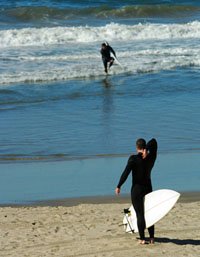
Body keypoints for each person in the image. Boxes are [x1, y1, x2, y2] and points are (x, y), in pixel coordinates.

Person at [115, 138, 157, 245]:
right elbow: (154, 142)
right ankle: (151, 238)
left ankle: (143, 239)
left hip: (137, 190)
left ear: (136, 147)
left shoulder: (133, 159)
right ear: (143, 147)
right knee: (149, 212)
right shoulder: (151, 157)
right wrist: (147, 150)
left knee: (140, 214)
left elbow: (126, 173)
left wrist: (119, 185)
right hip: (148, 188)